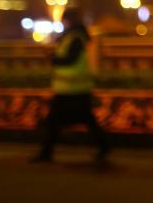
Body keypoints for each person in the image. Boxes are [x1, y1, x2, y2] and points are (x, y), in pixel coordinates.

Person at [31, 8, 110, 163]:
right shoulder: (73, 37)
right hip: (73, 88)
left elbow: (69, 60)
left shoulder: (75, 38)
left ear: (69, 21)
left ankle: (46, 153)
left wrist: (52, 58)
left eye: (65, 20)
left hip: (72, 89)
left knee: (55, 121)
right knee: (85, 120)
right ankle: (103, 146)